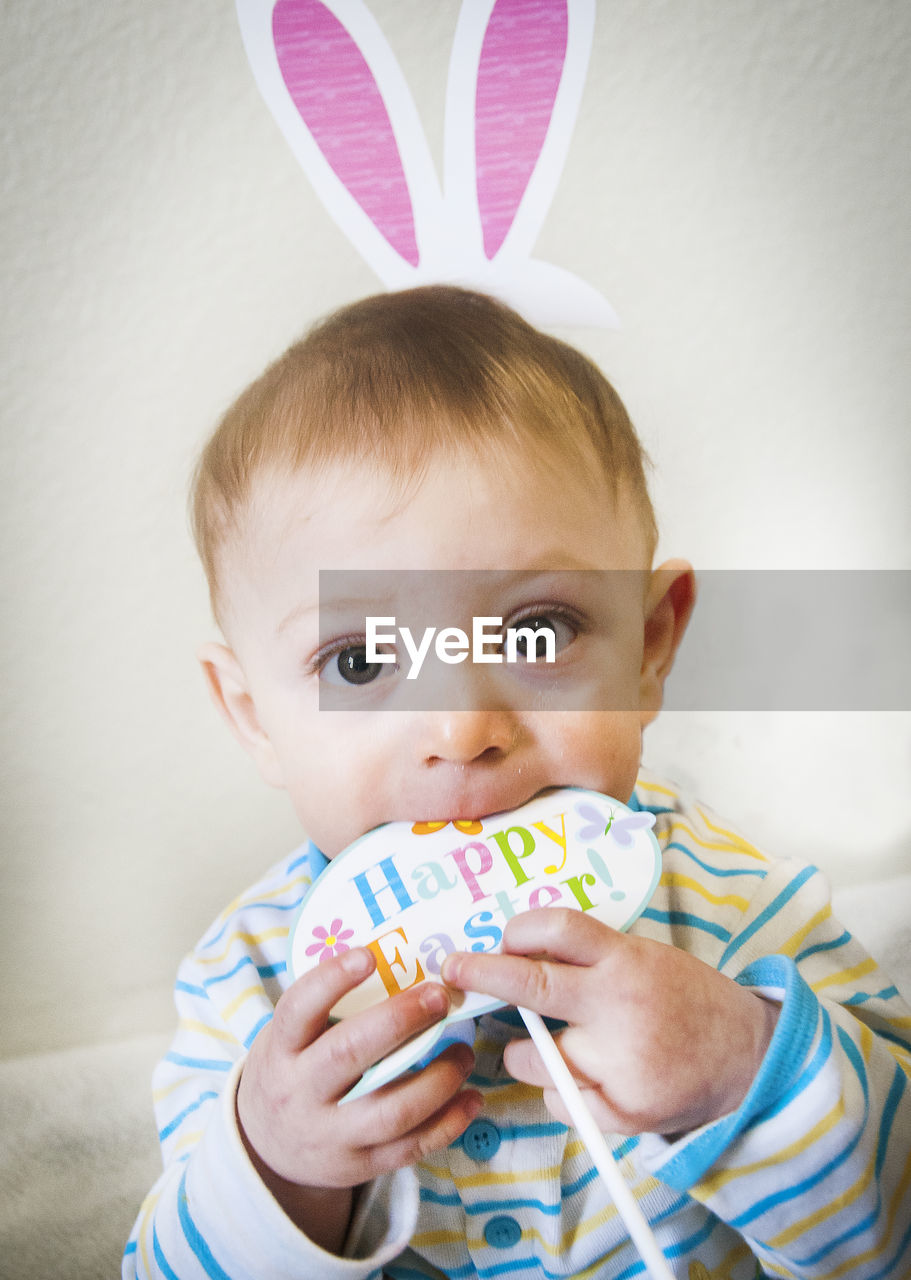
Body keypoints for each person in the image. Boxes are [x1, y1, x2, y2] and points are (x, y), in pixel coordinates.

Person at [124, 286, 911, 1280]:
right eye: (360, 662)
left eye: (538, 631)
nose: (460, 730)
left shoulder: (731, 904)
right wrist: (277, 1173)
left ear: (649, 645)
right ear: (252, 715)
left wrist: (741, 1068)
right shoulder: (252, 979)